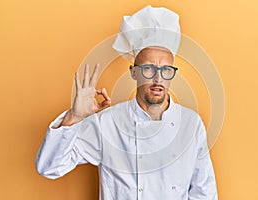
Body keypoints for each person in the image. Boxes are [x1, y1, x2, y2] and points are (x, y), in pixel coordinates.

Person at [36, 5, 218, 200]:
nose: (158, 79)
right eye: (148, 69)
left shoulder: (191, 124)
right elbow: (49, 167)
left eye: (166, 70)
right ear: (133, 72)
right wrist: (74, 117)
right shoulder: (108, 122)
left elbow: (204, 193)